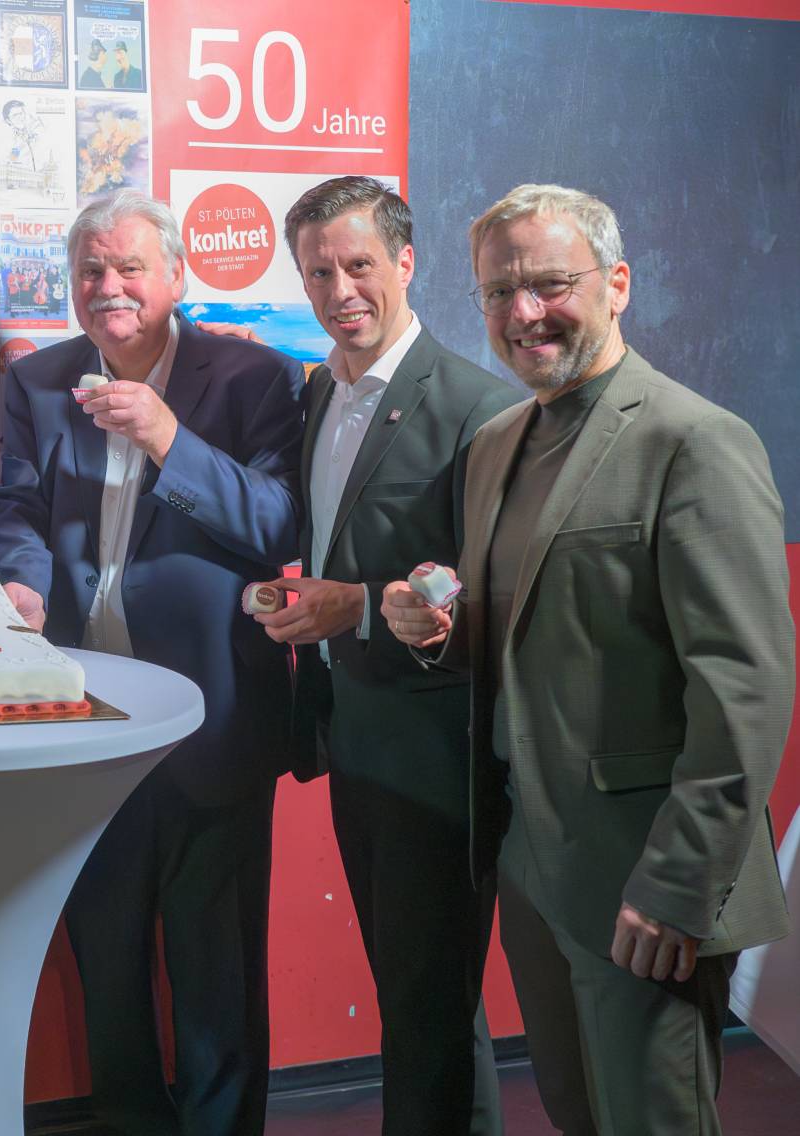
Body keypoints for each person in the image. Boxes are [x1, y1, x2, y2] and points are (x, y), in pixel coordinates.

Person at [381, 184, 792, 1136]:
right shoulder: (494, 446)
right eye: (496, 292)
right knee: (573, 1112)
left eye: (549, 284)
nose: (523, 313)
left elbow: (746, 688)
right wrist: (443, 631)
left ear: (617, 284)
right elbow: (528, 631)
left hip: (645, 884)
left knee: (653, 1122)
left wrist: (680, 885)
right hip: (532, 862)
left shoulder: (695, 441)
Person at [0, 190, 304, 1136]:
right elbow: (17, 511)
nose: (109, 287)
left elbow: (279, 525)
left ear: (176, 276)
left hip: (213, 719)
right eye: (91, 271)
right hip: (89, 723)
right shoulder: (38, 379)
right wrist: (21, 585)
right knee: (108, 961)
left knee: (217, 974)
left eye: (129, 268)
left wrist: (168, 437)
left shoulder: (256, 376)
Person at [240, 176, 522, 1136]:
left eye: (359, 264)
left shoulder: (481, 407)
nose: (339, 289)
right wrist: (298, 597)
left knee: (426, 1010)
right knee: (428, 1004)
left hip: (435, 755)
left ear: (406, 262)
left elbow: (494, 600)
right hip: (354, 735)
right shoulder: (319, 389)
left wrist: (355, 608)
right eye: (318, 271)